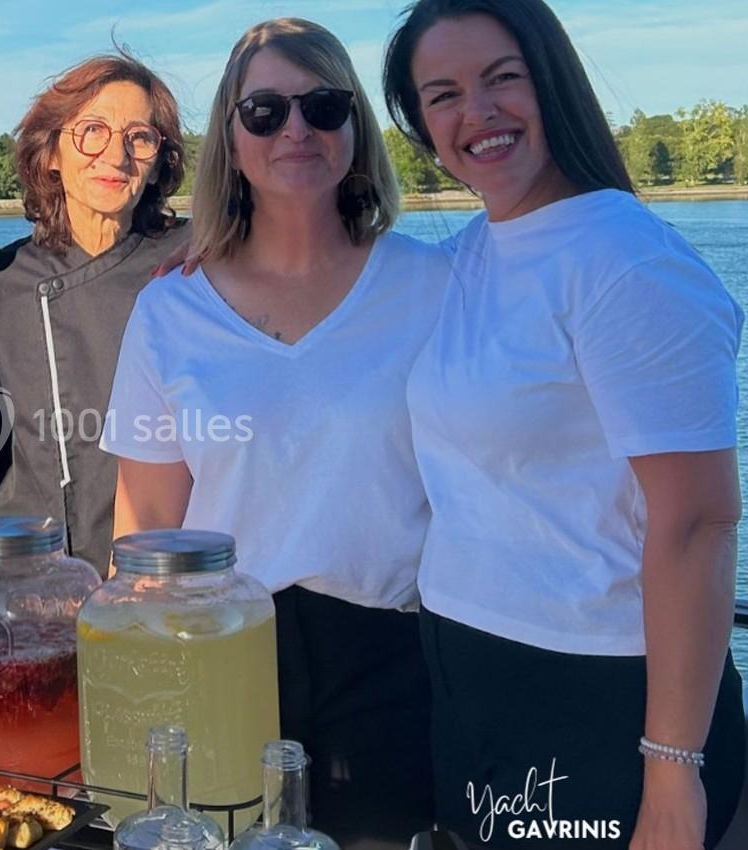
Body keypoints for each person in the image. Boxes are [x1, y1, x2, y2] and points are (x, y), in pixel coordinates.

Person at [382, 1, 746, 846]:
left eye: (502, 78)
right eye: (443, 94)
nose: (477, 113)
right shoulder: (472, 252)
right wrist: (218, 248)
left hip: (599, 690)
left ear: (554, 79)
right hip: (470, 674)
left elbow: (698, 523)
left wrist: (669, 773)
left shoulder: (628, 263)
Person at [100, 18, 449, 847]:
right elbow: (145, 530)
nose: (296, 130)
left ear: (356, 129)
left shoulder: (437, 284)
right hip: (222, 656)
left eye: (324, 107)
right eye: (264, 111)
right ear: (233, 135)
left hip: (395, 662)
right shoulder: (170, 309)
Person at [0, 53, 188, 573]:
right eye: (92, 131)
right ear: (50, 152)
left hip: (163, 578)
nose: (115, 156)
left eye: (140, 137)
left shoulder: (199, 267)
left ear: (161, 161)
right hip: (27, 584)